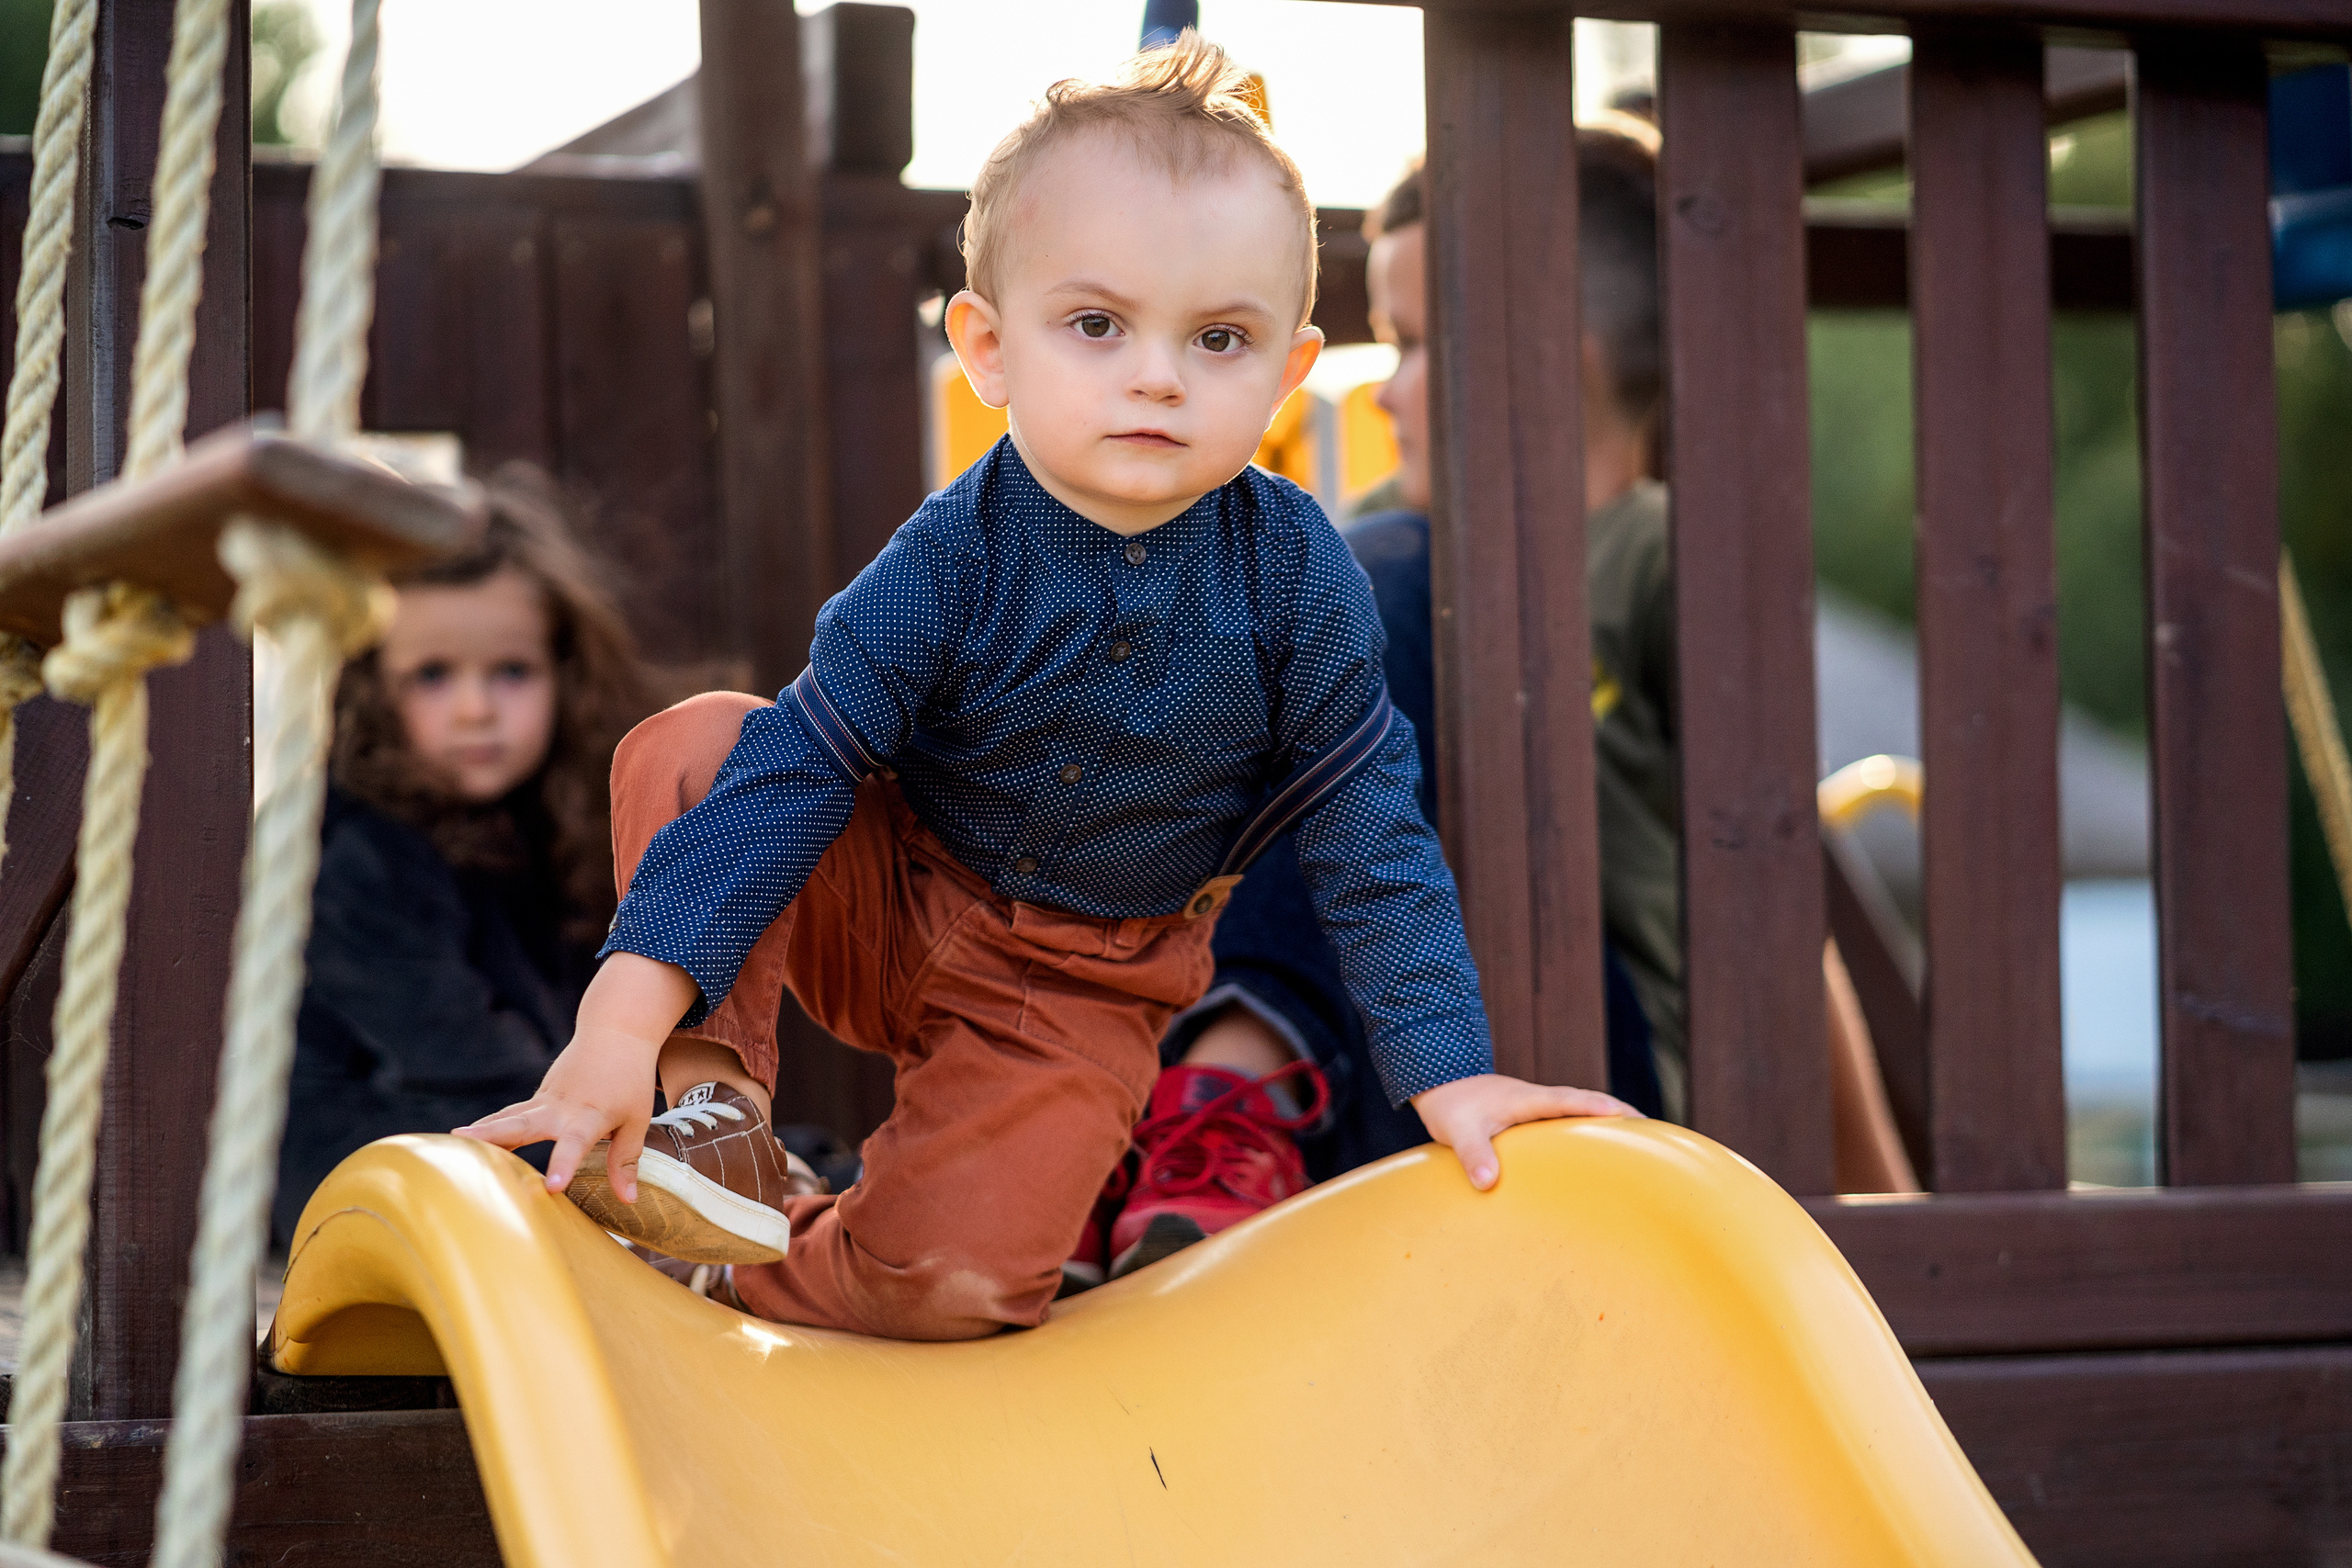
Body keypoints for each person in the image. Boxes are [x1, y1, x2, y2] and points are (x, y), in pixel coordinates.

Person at [454, 36, 1635, 1342]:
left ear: (1288, 374)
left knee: (960, 1285)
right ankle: (712, 1118)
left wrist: (1449, 1078)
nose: (1158, 375)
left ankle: (753, 1261)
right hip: (889, 893)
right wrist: (625, 1020)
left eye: (1220, 338)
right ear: (989, 348)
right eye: (1096, 325)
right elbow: (795, 772)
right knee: (704, 748)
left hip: (1079, 986)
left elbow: (1372, 839)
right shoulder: (955, 552)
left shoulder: (1298, 576)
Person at [1084, 120, 1688, 1280]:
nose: (1383, 393)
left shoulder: (1651, 553)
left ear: (1546, 365)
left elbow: (1775, 868)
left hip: (1575, 1068)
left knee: (1376, 574)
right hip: (1388, 1052)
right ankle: (1140, 1115)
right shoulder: (1366, 549)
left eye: (1411, 346)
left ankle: (1230, 1092)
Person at [277, 469, 654, 1244]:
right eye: (433, 675)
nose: (476, 709)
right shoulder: (356, 851)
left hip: (515, 1138)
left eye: (511, 672)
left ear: (564, 675)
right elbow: (466, 1068)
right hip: (364, 1175)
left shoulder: (554, 826)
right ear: (371, 687)